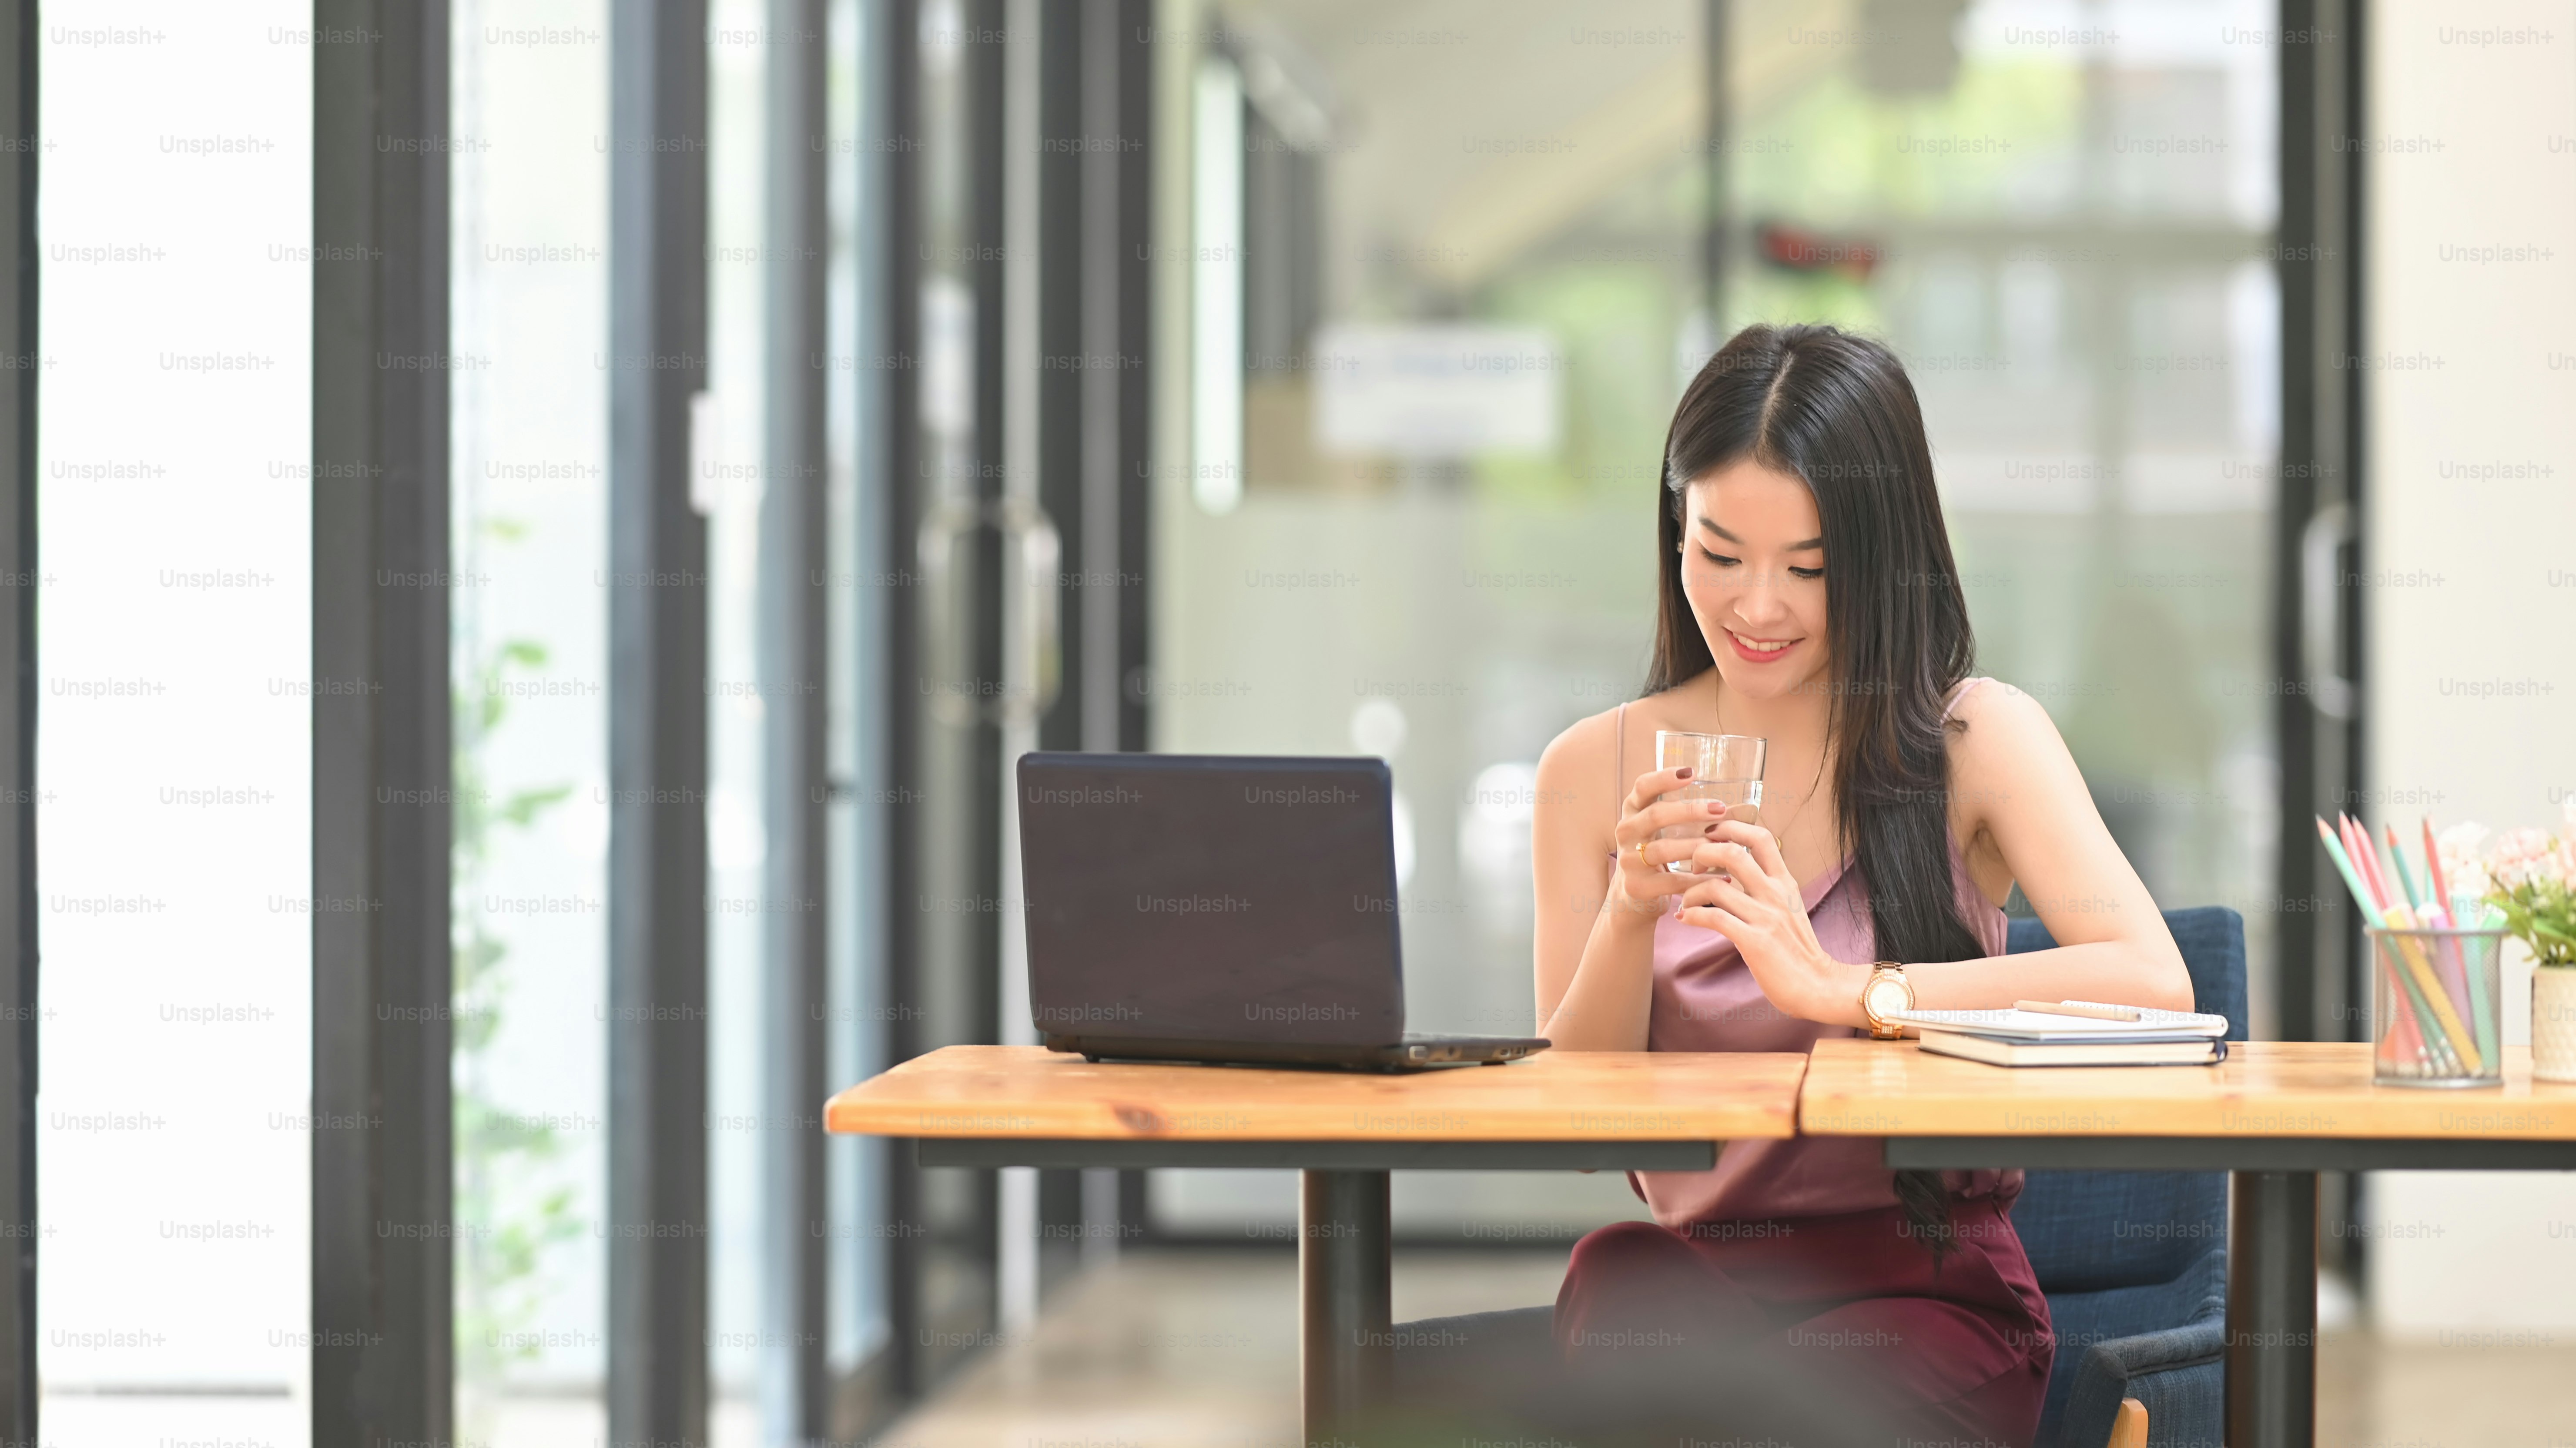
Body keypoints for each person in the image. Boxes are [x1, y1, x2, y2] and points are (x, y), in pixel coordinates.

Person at [1529, 322, 2193, 1448]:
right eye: (1717, 553)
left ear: (1881, 556)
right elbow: (1579, 1109)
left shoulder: (1971, 737)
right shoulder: (1592, 770)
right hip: (1700, 1281)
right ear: (1672, 529)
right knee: (1616, 1274)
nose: (1755, 608)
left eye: (1808, 569)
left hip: (1923, 1295)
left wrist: (1846, 991)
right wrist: (1630, 915)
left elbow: (2152, 982)